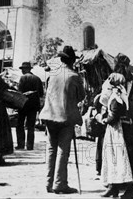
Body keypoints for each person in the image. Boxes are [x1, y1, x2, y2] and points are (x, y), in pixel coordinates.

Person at [40, 45, 85, 194]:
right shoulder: (74, 76)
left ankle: (49, 182)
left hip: (49, 116)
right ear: (72, 61)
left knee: (51, 149)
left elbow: (48, 93)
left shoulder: (52, 74)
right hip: (65, 117)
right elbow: (81, 97)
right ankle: (60, 184)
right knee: (62, 151)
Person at [99, 73, 133, 199]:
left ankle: (130, 190)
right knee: (113, 159)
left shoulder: (116, 97)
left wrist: (103, 120)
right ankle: (113, 187)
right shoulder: (121, 94)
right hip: (116, 131)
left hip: (117, 132)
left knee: (119, 159)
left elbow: (114, 116)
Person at [112, 54, 133, 187]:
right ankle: (130, 178)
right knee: (130, 147)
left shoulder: (117, 77)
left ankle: (122, 181)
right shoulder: (130, 77)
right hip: (130, 113)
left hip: (120, 112)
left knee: (120, 147)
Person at [16, 61, 44, 150]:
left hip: (23, 104)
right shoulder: (37, 78)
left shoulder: (22, 78)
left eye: (22, 69)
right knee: (31, 126)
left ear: (25, 69)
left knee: (20, 125)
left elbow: (19, 92)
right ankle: (29, 146)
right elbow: (41, 93)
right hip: (33, 105)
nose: (22, 71)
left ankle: (20, 144)